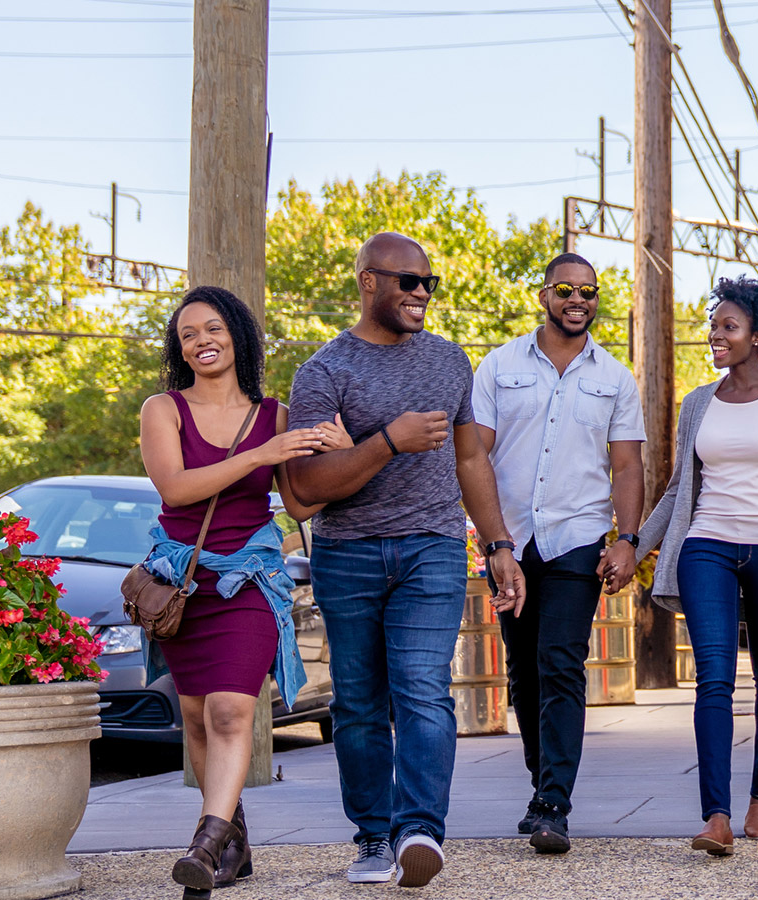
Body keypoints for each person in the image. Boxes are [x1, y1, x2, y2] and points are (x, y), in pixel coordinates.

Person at [285, 232, 526, 888]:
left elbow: (470, 457)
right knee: (360, 703)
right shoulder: (324, 371)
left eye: (429, 283)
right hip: (348, 553)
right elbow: (305, 491)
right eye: (408, 282)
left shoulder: (450, 361)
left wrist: (499, 545)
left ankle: (419, 829)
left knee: (424, 690)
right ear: (368, 283)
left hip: (433, 547)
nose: (422, 293)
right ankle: (371, 836)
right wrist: (386, 443)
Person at [138, 285, 350, 898]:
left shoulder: (276, 416)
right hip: (181, 581)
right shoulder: (164, 409)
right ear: (181, 350)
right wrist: (263, 452)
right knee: (198, 719)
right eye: (188, 335)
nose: (202, 341)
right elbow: (176, 489)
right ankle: (232, 840)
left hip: (252, 579)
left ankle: (203, 844)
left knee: (232, 711)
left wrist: (340, 450)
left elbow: (303, 498)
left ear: (237, 334)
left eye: (212, 329)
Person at [609, 275, 758, 857]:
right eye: (713, 326)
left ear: (757, 335)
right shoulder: (698, 403)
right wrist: (633, 542)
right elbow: (680, 487)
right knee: (713, 677)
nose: (715, 336)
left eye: (727, 327)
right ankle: (716, 816)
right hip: (706, 543)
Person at [471, 252, 645, 854]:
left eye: (590, 291)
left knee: (560, 664)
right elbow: (477, 458)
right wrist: (495, 544)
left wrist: (627, 539)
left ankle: (553, 804)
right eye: (567, 289)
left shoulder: (615, 378)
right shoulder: (497, 366)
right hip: (511, 541)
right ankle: (541, 786)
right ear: (544, 294)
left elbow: (627, 464)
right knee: (523, 673)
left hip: (577, 538)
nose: (579, 299)